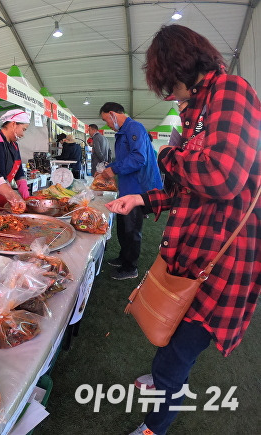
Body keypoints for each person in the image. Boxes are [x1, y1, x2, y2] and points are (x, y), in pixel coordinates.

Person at [105, 25, 260, 435]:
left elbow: (220, 177)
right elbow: (192, 189)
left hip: (223, 262)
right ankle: (162, 382)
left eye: (167, 84)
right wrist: (143, 199)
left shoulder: (230, 91)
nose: (167, 95)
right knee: (168, 331)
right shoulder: (198, 110)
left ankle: (155, 425)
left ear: (182, 67)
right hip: (194, 251)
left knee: (176, 353)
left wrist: (169, 154)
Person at [99, 102, 163, 280]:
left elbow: (138, 158)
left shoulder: (134, 128)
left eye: (107, 120)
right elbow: (125, 158)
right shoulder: (123, 132)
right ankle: (123, 257)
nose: (108, 124)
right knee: (123, 227)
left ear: (113, 114)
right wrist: (109, 168)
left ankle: (130, 267)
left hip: (138, 187)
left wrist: (115, 169)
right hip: (127, 187)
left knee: (132, 229)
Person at [0, 109, 31, 214]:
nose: (23, 134)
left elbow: (19, 172)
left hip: (5, 195)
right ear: (13, 124)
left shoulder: (14, 145)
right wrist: (13, 197)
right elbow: (0, 175)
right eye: (24, 129)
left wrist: (27, 198)